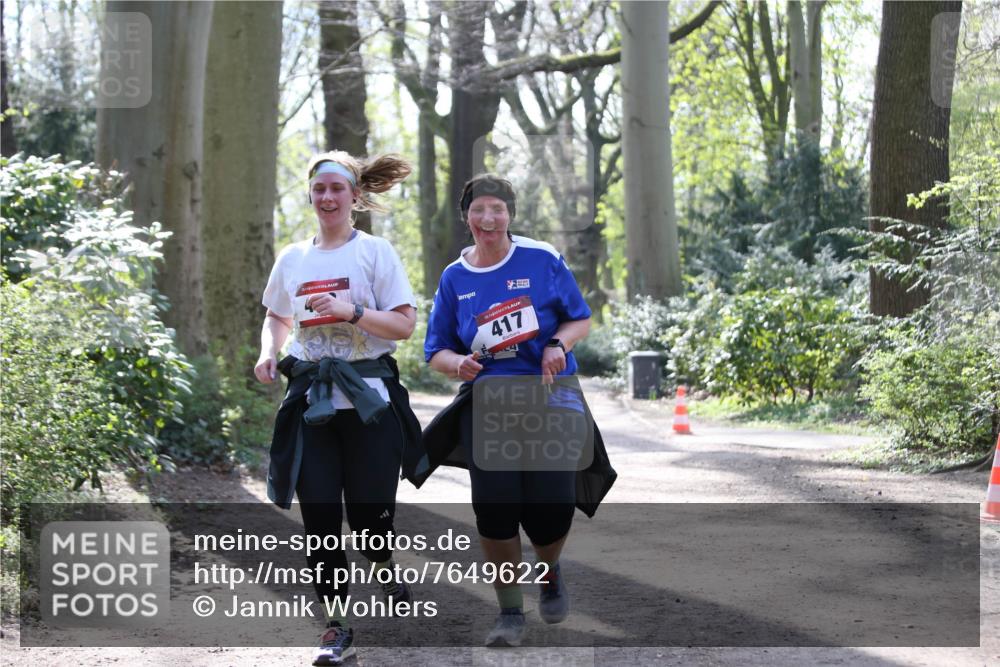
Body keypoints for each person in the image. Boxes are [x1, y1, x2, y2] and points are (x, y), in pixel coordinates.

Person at [421, 174, 617, 647]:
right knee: (494, 509)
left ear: (510, 214)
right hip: (490, 405)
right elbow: (435, 350)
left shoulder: (542, 259)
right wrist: (458, 363)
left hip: (550, 396)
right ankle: (509, 613)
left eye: (498, 209)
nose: (488, 219)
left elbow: (581, 317)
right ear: (466, 217)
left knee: (551, 508)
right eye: (479, 210)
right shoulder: (455, 277)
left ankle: (548, 572)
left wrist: (556, 343)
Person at [254, 150, 422, 666]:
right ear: (311, 194)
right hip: (313, 405)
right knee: (321, 519)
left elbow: (404, 325)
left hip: (369, 404)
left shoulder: (375, 252)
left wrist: (351, 311)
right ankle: (336, 627)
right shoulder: (292, 259)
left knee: (371, 518)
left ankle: (382, 561)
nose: (327, 198)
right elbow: (277, 318)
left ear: (354, 196)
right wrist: (267, 351)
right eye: (319, 189)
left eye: (337, 189)